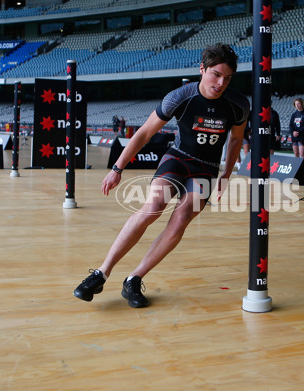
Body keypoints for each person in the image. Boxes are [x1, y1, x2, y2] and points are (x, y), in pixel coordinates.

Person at [73, 43, 249, 308]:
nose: (221, 82)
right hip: (177, 159)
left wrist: (225, 175)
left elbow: (235, 140)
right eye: (216, 74)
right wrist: (117, 168)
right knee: (153, 207)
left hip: (206, 169)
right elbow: (144, 133)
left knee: (180, 221)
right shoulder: (180, 96)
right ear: (202, 69)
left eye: (227, 78)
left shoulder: (237, 105)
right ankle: (101, 272)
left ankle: (134, 278)